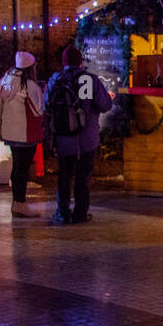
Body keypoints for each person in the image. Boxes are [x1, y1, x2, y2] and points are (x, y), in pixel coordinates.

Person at [46, 45, 111, 224]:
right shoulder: (89, 80)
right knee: (83, 176)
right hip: (86, 139)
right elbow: (105, 104)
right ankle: (81, 212)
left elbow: (46, 109)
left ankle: (62, 212)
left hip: (63, 138)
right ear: (80, 61)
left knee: (64, 175)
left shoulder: (55, 80)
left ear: (63, 62)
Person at [0, 51, 45, 218]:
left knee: (17, 166)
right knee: (23, 168)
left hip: (10, 132)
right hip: (26, 133)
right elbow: (38, 109)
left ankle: (16, 202)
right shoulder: (28, 85)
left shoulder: (6, 80)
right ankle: (20, 203)